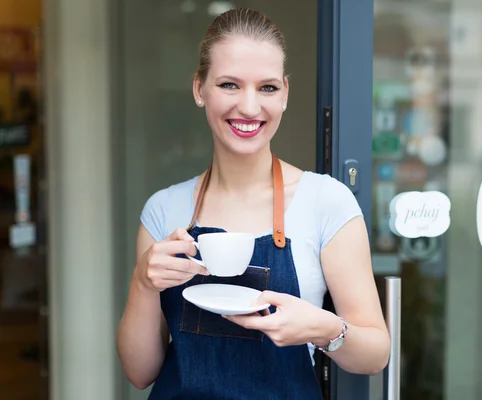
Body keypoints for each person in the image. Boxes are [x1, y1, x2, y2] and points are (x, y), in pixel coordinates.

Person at [117, 8, 390, 399]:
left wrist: (324, 328)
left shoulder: (326, 202)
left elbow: (375, 354)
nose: (249, 107)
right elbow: (139, 372)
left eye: (267, 88)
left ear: (285, 95)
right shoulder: (164, 210)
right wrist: (143, 282)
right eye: (229, 85)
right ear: (199, 89)